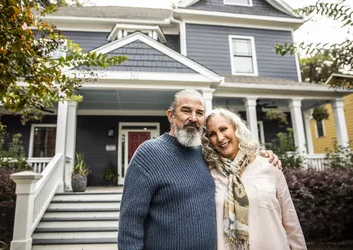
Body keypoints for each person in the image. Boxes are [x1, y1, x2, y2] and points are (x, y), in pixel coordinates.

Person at [118, 89, 280, 250]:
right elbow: (130, 221)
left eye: (200, 113)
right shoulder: (149, 153)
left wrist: (261, 156)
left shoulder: (207, 154)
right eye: (186, 111)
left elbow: (236, 159)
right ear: (171, 115)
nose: (193, 118)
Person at [202, 107, 307, 250]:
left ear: (236, 128)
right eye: (212, 134)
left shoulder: (269, 166)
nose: (220, 138)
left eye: (223, 129)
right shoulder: (209, 175)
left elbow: (291, 222)